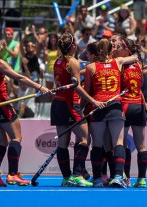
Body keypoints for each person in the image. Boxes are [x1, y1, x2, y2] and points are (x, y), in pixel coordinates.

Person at [0, 28, 51, 187]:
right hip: (0, 103)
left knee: (3, 139)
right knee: (16, 137)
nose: (1, 44)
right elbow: (20, 78)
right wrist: (40, 87)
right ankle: (13, 174)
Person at [51, 33, 105, 187]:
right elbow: (77, 87)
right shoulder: (73, 61)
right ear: (73, 46)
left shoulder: (58, 61)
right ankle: (77, 175)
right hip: (70, 103)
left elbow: (70, 78)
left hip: (58, 103)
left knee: (63, 142)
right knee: (84, 138)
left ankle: (67, 177)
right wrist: (92, 100)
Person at [84, 38, 138, 188]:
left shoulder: (91, 67)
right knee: (118, 143)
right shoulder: (118, 61)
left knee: (97, 144)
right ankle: (118, 177)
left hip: (98, 108)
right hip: (115, 107)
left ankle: (97, 179)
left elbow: (87, 91)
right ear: (111, 51)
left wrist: (82, 109)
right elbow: (135, 57)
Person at [111, 36, 147, 188]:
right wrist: (146, 109)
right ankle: (141, 180)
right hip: (138, 105)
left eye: (119, 47)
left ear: (126, 49)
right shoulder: (139, 63)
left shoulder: (119, 63)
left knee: (123, 144)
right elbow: (140, 90)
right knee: (141, 145)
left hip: (125, 105)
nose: (116, 49)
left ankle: (125, 177)